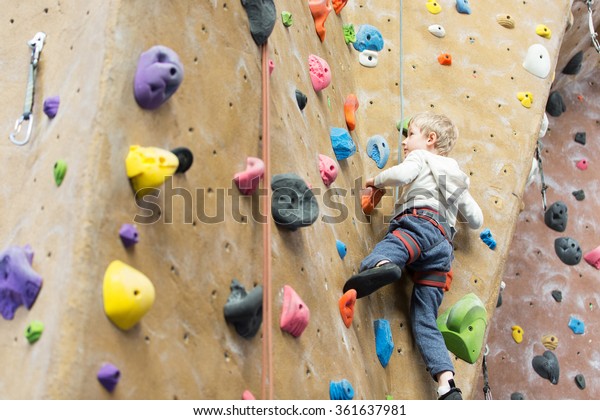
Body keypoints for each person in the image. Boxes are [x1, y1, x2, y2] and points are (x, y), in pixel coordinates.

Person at [341, 112, 483, 400]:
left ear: (430, 140)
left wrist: (376, 180)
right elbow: (476, 219)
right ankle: (446, 383)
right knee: (425, 317)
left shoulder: (421, 158)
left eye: (411, 134)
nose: (405, 142)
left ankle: (383, 265)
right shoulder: (456, 177)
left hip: (420, 224)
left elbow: (402, 175)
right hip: (443, 248)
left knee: (395, 245)